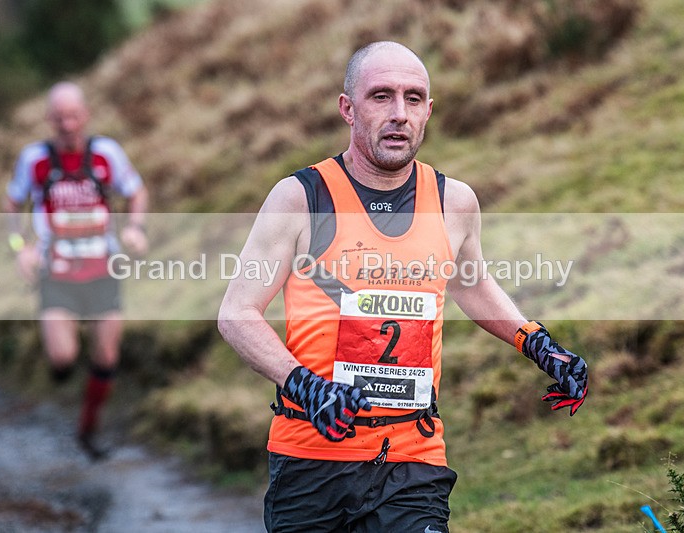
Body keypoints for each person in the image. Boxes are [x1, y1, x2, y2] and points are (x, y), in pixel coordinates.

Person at [217, 41, 588, 532]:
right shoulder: (301, 198)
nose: (399, 114)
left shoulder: (453, 202)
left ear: (429, 111)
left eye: (413, 99)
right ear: (347, 109)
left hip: (413, 460)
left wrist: (537, 343)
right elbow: (238, 313)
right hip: (311, 458)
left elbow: (471, 284)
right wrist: (305, 387)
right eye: (381, 97)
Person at [3, 81, 148, 460]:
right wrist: (20, 248)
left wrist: (135, 227)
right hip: (56, 273)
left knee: (106, 357)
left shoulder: (106, 153)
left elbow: (136, 191)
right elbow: (11, 202)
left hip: (103, 269)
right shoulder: (34, 159)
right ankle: (61, 367)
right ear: (49, 120)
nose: (67, 124)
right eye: (59, 118)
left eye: (73, 116)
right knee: (63, 358)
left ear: (84, 115)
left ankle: (87, 429)